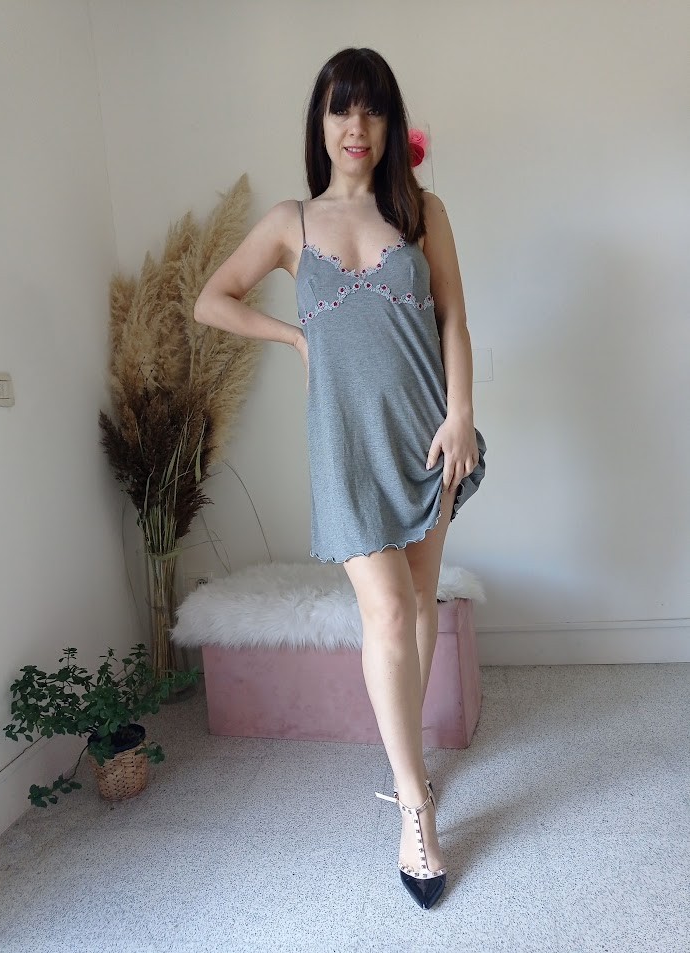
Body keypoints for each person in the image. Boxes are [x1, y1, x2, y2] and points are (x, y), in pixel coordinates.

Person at [194, 47, 487, 911]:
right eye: (339, 108)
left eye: (370, 109)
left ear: (388, 123)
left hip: (427, 434)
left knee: (419, 603)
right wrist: (294, 337)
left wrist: (460, 414)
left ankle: (407, 764)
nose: (354, 126)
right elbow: (212, 298)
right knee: (387, 611)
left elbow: (453, 317)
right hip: (346, 446)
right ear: (319, 123)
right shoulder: (291, 222)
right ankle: (415, 810)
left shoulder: (421, 210)